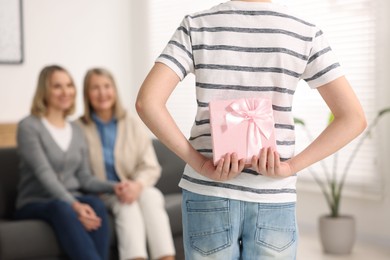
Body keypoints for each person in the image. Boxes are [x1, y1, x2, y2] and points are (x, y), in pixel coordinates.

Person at [135, 0, 367, 259]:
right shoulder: (304, 31)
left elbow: (147, 103)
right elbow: (353, 118)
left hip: (209, 190)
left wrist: (200, 164)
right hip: (273, 194)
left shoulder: (196, 25)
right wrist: (290, 166)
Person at [14, 65, 125, 260]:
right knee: (62, 208)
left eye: (69, 85)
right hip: (36, 202)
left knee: (96, 204)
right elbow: (44, 173)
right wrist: (74, 205)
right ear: (45, 91)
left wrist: (116, 186)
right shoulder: (29, 127)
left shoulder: (77, 129)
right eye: (57, 86)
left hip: (70, 200)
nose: (65, 92)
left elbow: (84, 178)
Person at [78, 68, 176, 260]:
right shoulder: (78, 128)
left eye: (107, 86)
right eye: (95, 88)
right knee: (127, 207)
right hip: (103, 193)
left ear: (114, 90)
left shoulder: (132, 123)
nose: (102, 93)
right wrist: (115, 188)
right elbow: (79, 172)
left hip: (134, 187)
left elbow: (150, 165)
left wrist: (137, 185)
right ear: (87, 94)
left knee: (152, 196)